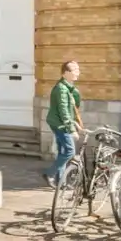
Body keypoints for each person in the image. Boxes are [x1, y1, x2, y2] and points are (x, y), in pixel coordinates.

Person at [44, 60, 83, 188]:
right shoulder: (61, 89)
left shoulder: (68, 88)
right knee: (70, 151)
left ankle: (62, 181)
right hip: (59, 124)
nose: (78, 72)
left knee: (63, 151)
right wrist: (71, 129)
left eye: (78, 69)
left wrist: (75, 123)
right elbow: (63, 110)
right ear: (66, 73)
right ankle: (50, 173)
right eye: (75, 70)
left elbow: (72, 108)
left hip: (60, 122)